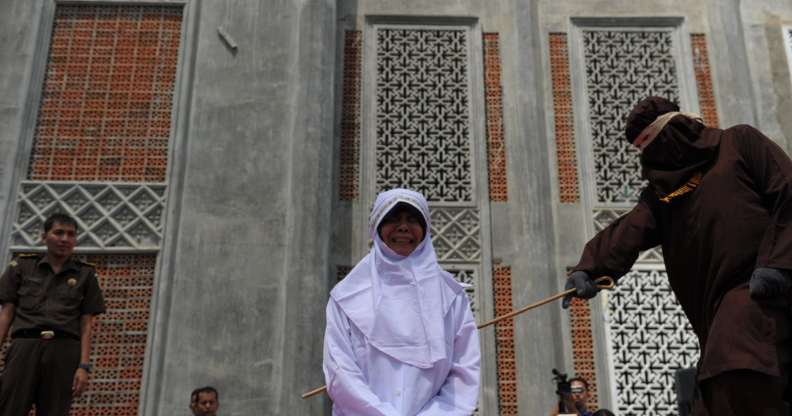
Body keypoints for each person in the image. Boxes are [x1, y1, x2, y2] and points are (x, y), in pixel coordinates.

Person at [562, 96, 792, 415]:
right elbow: (629, 231)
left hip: (762, 294)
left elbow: (787, 192)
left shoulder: (739, 143)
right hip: (714, 317)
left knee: (737, 367)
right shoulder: (664, 195)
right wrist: (588, 269)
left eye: (654, 144)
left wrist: (777, 264)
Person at [323, 188, 481, 415]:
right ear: (376, 227)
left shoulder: (451, 298)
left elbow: (463, 375)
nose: (404, 227)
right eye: (392, 218)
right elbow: (341, 373)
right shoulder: (347, 298)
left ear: (426, 230)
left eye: (413, 219)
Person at [0, 212, 106, 415]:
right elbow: (6, 315)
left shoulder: (85, 275)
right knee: (9, 406)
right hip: (24, 346)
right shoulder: (22, 267)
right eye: (58, 233)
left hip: (64, 350)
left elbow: (87, 324)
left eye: (71, 234)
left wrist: (83, 366)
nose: (65, 239)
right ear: (44, 237)